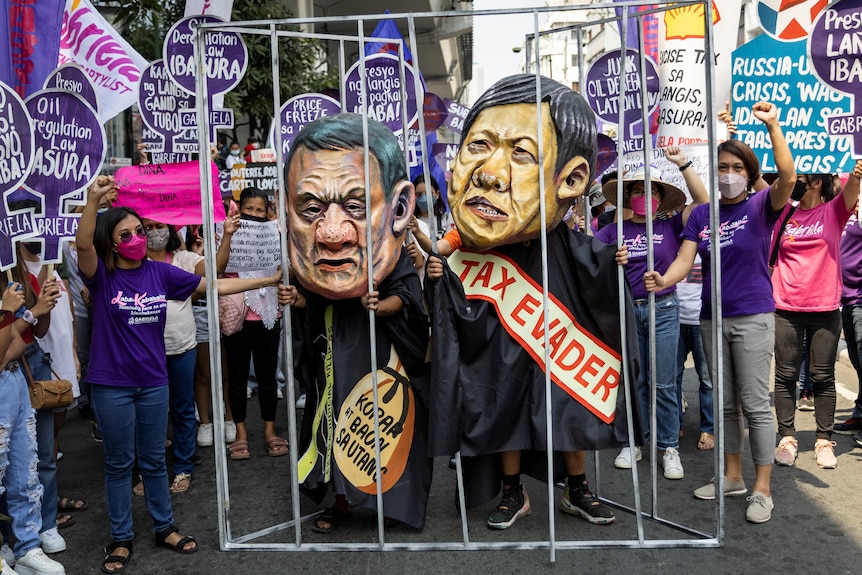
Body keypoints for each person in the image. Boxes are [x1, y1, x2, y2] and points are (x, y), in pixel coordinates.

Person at [425, 74, 638, 530]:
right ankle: (512, 492)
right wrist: (434, 271)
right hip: (498, 341)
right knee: (502, 405)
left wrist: (612, 260)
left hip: (554, 342)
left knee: (568, 400)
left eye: (521, 153)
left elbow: (594, 269)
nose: (489, 172)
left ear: (572, 179)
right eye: (479, 146)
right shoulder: (465, 243)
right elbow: (441, 284)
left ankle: (577, 488)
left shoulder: (564, 243)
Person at [75, 176, 282, 573]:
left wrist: (269, 279)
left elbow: (214, 284)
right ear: (112, 243)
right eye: (127, 234)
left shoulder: (160, 273)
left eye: (141, 229)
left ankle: (163, 526)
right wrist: (91, 201)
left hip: (154, 383)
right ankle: (120, 538)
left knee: (154, 460)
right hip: (112, 385)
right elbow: (84, 244)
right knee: (120, 464)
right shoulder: (102, 276)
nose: (138, 237)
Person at [644, 101, 795, 524]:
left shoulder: (763, 206)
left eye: (736, 167)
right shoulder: (703, 215)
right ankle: (732, 477)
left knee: (755, 404)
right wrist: (663, 280)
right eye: (722, 166)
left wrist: (772, 125)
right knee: (726, 405)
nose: (728, 174)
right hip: (712, 319)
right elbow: (684, 260)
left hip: (753, 316)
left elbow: (788, 176)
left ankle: (762, 488)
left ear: (748, 173)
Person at [281, 113, 431, 531]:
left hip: (383, 357)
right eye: (310, 208)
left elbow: (407, 300)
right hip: (335, 360)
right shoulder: (315, 263)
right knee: (333, 424)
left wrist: (378, 307)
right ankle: (342, 500)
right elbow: (309, 304)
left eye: (356, 206)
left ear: (399, 208)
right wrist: (297, 299)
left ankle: (392, 504)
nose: (333, 234)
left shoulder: (397, 257)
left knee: (389, 427)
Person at [596, 147, 708, 480]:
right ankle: (634, 442)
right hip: (629, 312)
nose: (645, 195)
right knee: (634, 381)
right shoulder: (613, 231)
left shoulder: (673, 224)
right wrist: (609, 260)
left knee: (665, 383)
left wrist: (683, 164)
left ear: (660, 197)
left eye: (652, 190)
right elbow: (587, 257)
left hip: (665, 309)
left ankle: (668, 446)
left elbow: (703, 206)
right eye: (637, 190)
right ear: (628, 197)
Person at [771, 165, 861, 469]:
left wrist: (858, 174)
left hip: (824, 308)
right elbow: (759, 183)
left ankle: (824, 439)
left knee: (822, 376)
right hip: (785, 306)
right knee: (786, 376)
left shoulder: (834, 212)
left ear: (817, 182)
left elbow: (850, 192)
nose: (793, 181)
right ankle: (787, 437)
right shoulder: (783, 212)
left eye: (801, 177)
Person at [142, 213, 239, 493]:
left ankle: (183, 467)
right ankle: (149, 470)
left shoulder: (184, 259)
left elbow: (214, 270)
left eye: (159, 226)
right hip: (145, 352)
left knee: (183, 408)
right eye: (147, 228)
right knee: (151, 412)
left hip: (182, 347)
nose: (154, 232)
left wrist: (228, 235)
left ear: (170, 229)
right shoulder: (134, 265)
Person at [0, 283, 67, 575]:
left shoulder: (6, 286)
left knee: (24, 473)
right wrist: (5, 313)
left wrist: (13, 319)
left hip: (15, 382)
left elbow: (17, 343)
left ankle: (27, 547)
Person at [222, 187, 286, 461]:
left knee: (268, 376)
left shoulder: (275, 234)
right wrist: (227, 234)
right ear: (240, 208)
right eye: (249, 209)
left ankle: (270, 431)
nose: (255, 214)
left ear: (267, 212)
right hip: (237, 318)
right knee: (236, 377)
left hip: (268, 314)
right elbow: (218, 267)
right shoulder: (227, 232)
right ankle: (241, 433)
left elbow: (287, 266)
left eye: (260, 210)